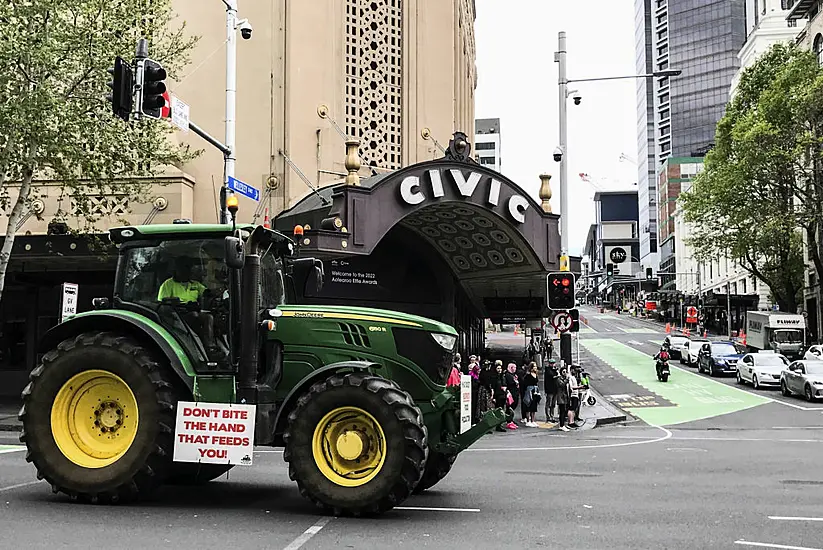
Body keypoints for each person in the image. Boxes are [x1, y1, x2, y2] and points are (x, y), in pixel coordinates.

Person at [157, 258, 219, 354]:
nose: (187, 271)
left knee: (209, 317)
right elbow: (163, 303)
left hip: (194, 311)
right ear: (177, 270)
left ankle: (210, 345)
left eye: (188, 269)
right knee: (194, 316)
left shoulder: (195, 284)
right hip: (178, 315)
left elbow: (207, 292)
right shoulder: (168, 284)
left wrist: (220, 290)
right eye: (184, 268)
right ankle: (201, 345)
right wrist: (177, 302)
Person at [521, 362, 541, 427]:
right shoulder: (528, 375)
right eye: (534, 366)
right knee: (528, 406)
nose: (535, 368)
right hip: (529, 391)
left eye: (536, 366)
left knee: (534, 406)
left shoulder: (536, 375)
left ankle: (533, 420)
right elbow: (525, 384)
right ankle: (528, 420)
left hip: (535, 391)